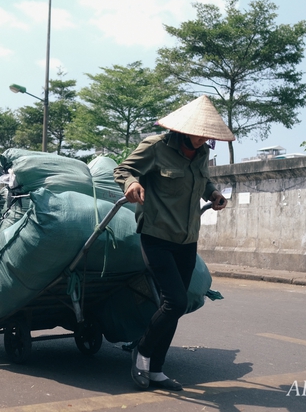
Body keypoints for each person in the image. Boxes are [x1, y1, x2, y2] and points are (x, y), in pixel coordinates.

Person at [113, 95, 234, 391]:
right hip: (156, 235)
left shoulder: (202, 153)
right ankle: (142, 351)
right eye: (200, 132)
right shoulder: (156, 146)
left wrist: (214, 194)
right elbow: (123, 170)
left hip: (187, 238)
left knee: (175, 307)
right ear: (183, 129)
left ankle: (156, 369)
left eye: (208, 134)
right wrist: (132, 184)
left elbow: (201, 182)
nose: (204, 138)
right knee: (175, 301)